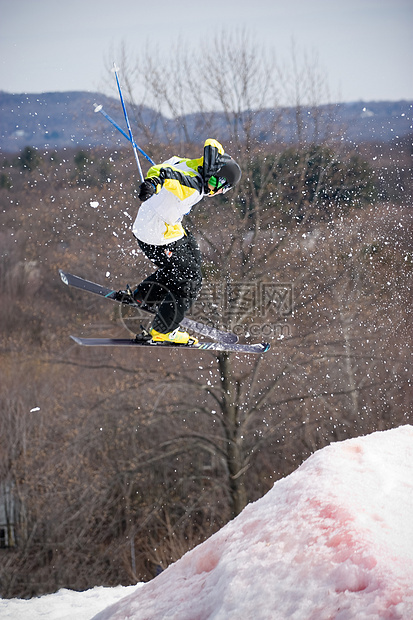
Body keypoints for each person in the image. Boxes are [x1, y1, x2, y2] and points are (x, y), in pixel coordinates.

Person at [117, 138, 241, 344]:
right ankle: (163, 331)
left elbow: (171, 165)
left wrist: (156, 178)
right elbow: (166, 174)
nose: (220, 192)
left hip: (164, 228)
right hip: (156, 236)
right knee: (190, 280)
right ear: (216, 179)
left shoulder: (189, 163)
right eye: (223, 187)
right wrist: (152, 183)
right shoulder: (193, 185)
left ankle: (145, 295)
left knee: (191, 254)